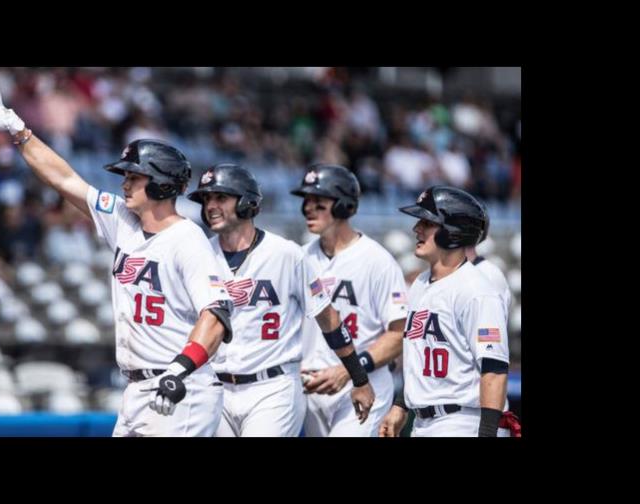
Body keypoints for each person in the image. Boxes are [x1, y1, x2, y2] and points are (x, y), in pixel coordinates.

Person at [0, 79, 234, 436]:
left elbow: (216, 316)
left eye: (134, 176)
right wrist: (19, 131)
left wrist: (179, 370)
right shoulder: (123, 220)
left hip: (180, 386)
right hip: (137, 388)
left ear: (161, 184)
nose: (124, 183)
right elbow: (65, 180)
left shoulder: (189, 240)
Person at [187, 164, 375, 437]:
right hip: (216, 387)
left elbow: (329, 319)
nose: (210, 206)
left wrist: (358, 378)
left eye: (220, 197)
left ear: (246, 202)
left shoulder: (286, 254)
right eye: (206, 199)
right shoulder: (199, 254)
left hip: (272, 388)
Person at [378, 186, 514, 437]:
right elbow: (417, 358)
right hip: (422, 423)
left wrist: (487, 434)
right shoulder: (420, 283)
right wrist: (400, 405)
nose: (416, 228)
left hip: (462, 421)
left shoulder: (477, 289)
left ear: (453, 231)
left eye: (427, 223)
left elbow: (494, 369)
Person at [289, 164, 407, 437]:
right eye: (306, 200)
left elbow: (399, 335)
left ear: (344, 205)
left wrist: (349, 370)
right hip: (312, 385)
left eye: (319, 201)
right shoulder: (299, 258)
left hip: (363, 382)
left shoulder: (377, 260)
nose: (308, 208)